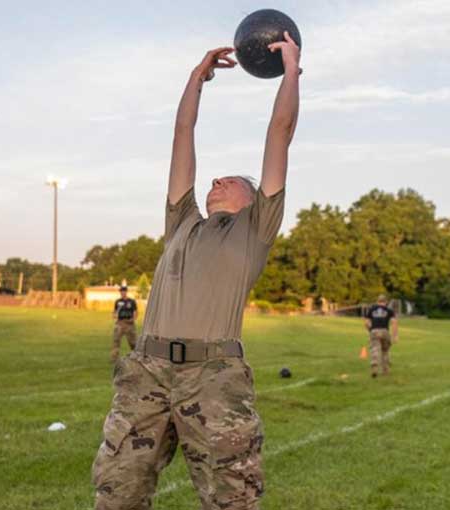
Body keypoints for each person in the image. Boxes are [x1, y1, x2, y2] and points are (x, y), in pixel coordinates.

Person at [92, 32, 301, 510]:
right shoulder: (182, 221)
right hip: (146, 371)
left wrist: (290, 71)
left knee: (232, 499)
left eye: (230, 179)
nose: (214, 180)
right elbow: (181, 136)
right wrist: (196, 80)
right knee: (116, 492)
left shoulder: (256, 229)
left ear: (252, 198)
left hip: (213, 376)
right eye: (214, 177)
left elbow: (279, 133)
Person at [364, 294, 399, 378]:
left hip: (374, 331)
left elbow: (366, 322)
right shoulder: (389, 310)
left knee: (374, 348)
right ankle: (385, 370)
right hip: (385, 331)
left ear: (377, 301)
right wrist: (395, 335)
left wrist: (370, 330)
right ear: (386, 302)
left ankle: (374, 365)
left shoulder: (371, 309)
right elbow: (394, 322)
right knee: (385, 351)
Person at [111, 285, 138, 363]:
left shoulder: (131, 301)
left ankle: (136, 357)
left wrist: (133, 319)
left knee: (133, 342)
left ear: (126, 292)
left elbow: (135, 312)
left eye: (123, 291)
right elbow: (115, 311)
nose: (122, 293)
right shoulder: (118, 302)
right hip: (120, 323)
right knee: (116, 341)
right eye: (121, 291)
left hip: (129, 323)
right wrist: (114, 315)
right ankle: (114, 358)